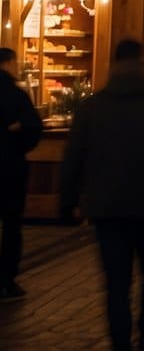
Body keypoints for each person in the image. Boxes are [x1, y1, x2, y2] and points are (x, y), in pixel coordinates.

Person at [59, 39, 144, 351]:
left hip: (107, 208)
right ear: (142, 63)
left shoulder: (92, 107)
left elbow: (73, 158)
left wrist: (67, 203)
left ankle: (120, 341)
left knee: (116, 282)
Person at [0, 47, 41, 301]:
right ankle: (6, 281)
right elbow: (33, 128)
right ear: (9, 64)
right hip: (10, 169)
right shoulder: (17, 95)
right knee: (11, 224)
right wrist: (13, 134)